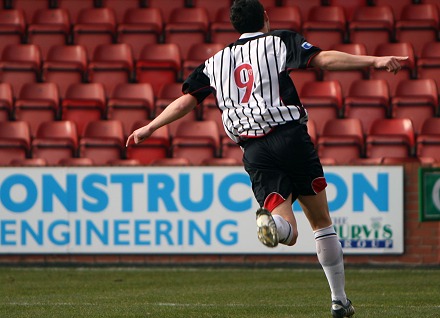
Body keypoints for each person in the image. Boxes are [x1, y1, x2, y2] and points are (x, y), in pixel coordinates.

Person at [126, 1, 408, 317]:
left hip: (254, 151)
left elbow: (187, 100)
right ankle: (339, 300)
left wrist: (150, 127)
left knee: (289, 230)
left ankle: (273, 224)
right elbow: (323, 59)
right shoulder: (280, 41)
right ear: (265, 17)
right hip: (290, 138)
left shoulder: (215, 62)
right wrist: (376, 60)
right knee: (321, 223)